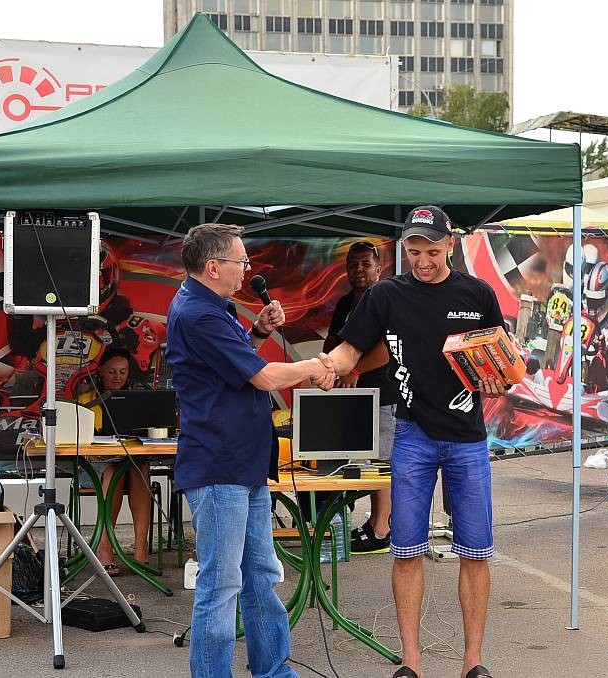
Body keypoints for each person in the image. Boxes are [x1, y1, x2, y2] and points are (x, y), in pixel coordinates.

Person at [319, 206, 505, 678]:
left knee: (476, 552)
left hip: (467, 439)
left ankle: (473, 662)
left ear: (450, 245)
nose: (423, 261)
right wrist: (326, 367)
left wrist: (496, 380)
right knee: (405, 551)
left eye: (432, 251)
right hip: (412, 436)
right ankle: (412, 662)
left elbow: (499, 361)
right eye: (414, 251)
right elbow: (350, 348)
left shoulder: (478, 294)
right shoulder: (386, 294)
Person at [167, 223, 334, 678]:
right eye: (241, 261)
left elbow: (235, 363)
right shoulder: (198, 314)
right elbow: (261, 377)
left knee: (260, 574)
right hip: (220, 465)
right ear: (213, 266)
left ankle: (273, 669)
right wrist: (314, 365)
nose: (246, 268)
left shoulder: (210, 307)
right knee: (221, 585)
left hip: (243, 462)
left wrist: (257, 331)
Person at [323, 241, 398, 555]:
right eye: (353, 264)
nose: (359, 270)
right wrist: (323, 366)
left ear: (378, 268)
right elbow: (333, 340)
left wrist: (354, 370)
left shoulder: (385, 299)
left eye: (365, 264)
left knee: (381, 462)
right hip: (352, 395)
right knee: (363, 461)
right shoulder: (345, 303)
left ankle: (382, 530)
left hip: (382, 391)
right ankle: (371, 523)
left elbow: (385, 350)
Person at [77, 347, 152, 576]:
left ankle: (141, 549)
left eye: (122, 372)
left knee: (140, 467)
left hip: (129, 462)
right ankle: (105, 548)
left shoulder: (139, 399)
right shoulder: (86, 399)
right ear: (100, 371)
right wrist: (89, 452)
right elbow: (75, 438)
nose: (117, 377)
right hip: (93, 465)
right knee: (112, 471)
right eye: (112, 372)